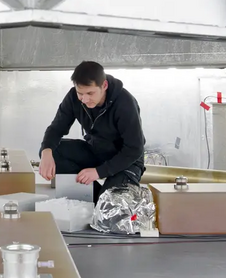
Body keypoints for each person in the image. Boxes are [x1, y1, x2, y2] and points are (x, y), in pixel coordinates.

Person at [37, 61, 145, 203]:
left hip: (125, 161)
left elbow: (134, 149)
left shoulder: (125, 103)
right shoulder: (73, 98)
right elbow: (56, 128)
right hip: (95, 151)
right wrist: (46, 153)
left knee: (109, 205)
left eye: (90, 93)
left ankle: (101, 200)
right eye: (80, 93)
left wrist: (98, 172)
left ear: (104, 86)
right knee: (51, 151)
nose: (85, 99)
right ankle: (92, 198)